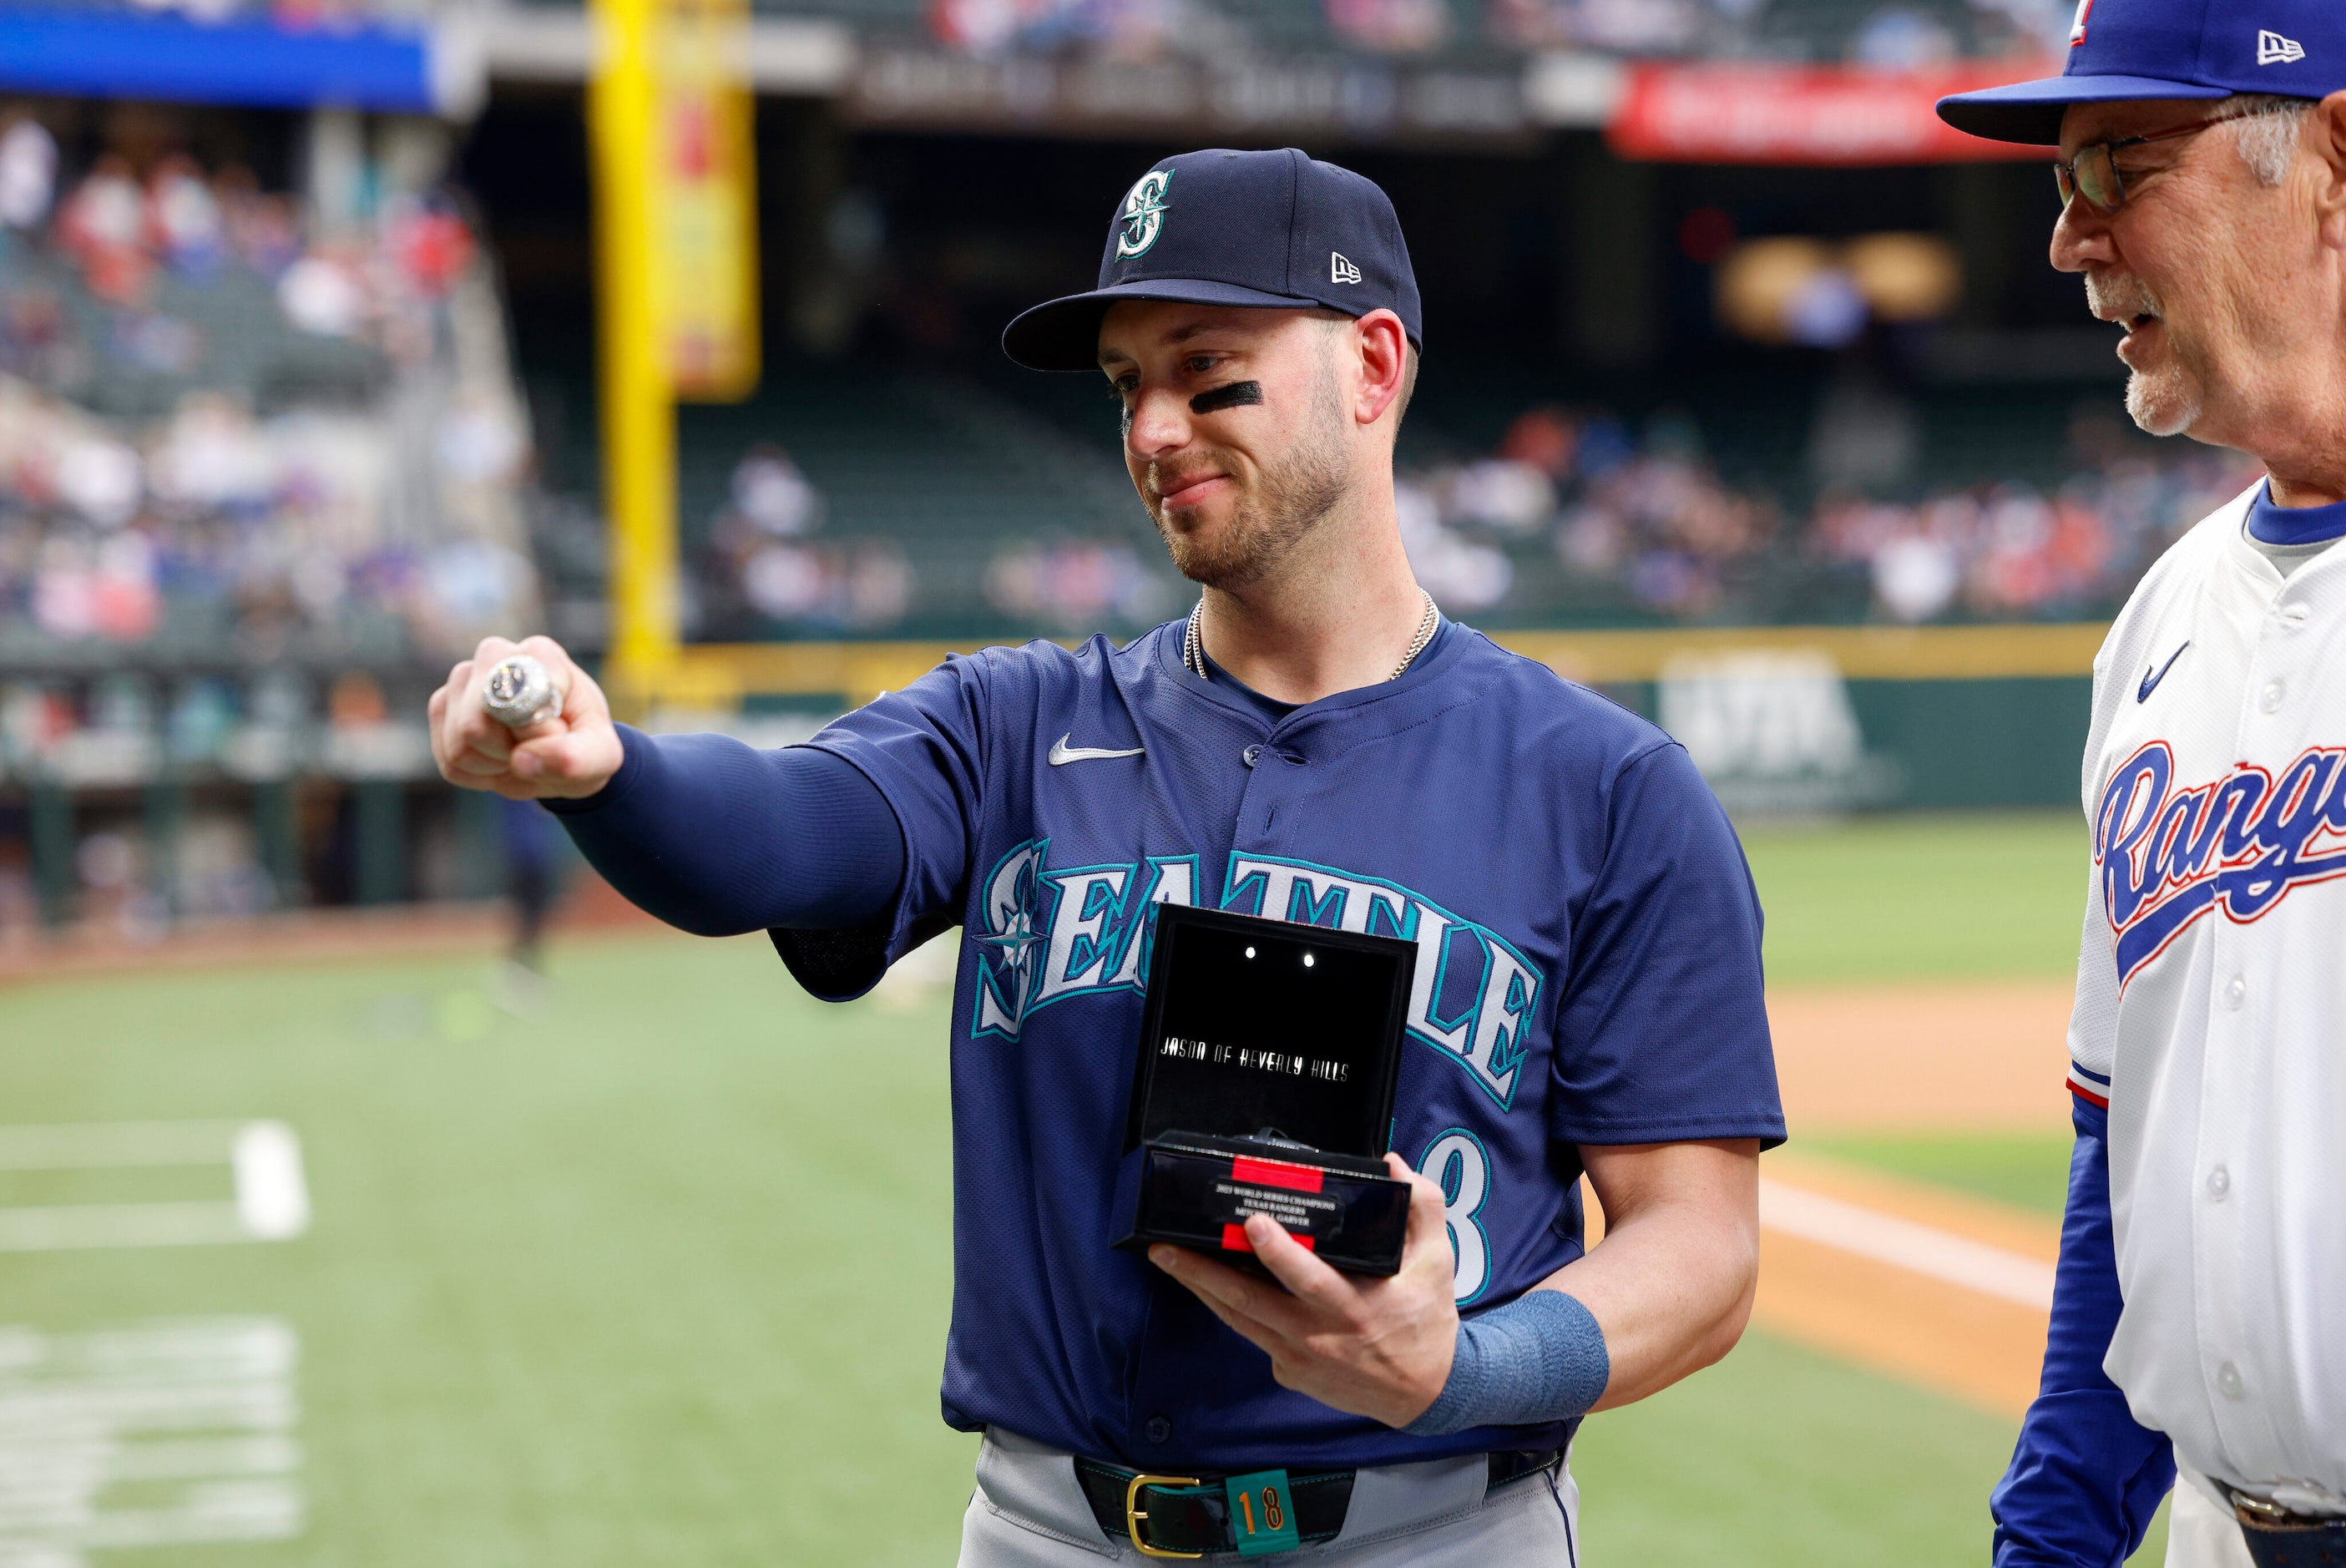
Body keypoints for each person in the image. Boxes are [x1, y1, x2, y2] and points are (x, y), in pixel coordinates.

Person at [429, 148, 1783, 1564]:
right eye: (1126, 382)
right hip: (1046, 1533)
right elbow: (775, 837)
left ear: (1374, 366)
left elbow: (1700, 1250)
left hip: (1434, 1529)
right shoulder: (1012, 724)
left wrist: (1466, 1368)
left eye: (1207, 368)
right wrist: (609, 771)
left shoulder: (1608, 788)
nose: (1154, 426)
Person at [1939, 7, 2346, 1565]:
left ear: (2330, 162)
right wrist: (2049, 1539)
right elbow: (2124, 1156)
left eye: (2121, 162)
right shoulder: (2161, 622)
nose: (2066, 237)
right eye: (2062, 177)